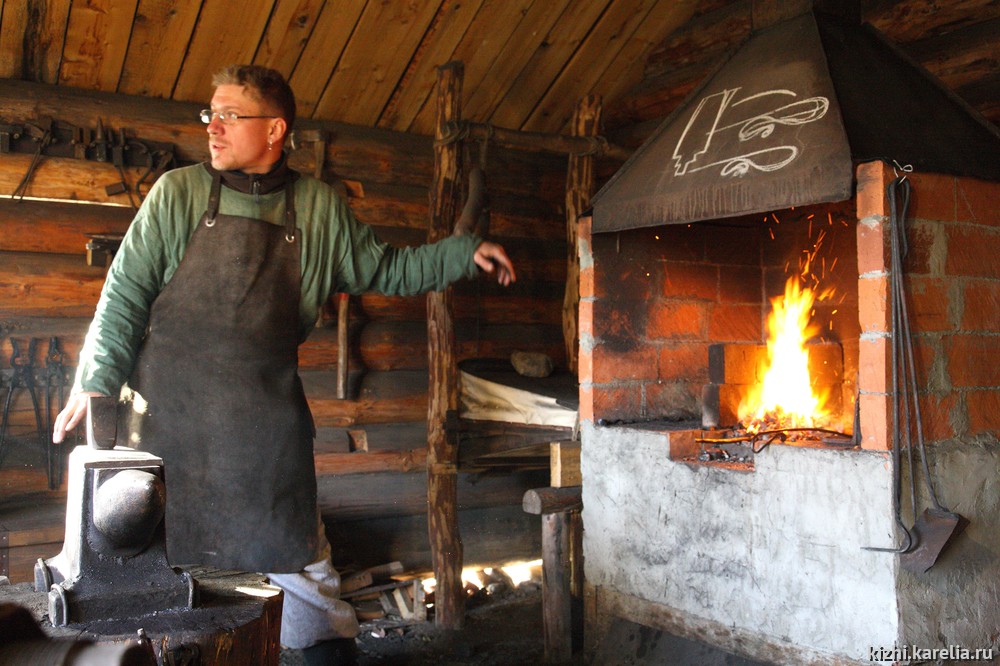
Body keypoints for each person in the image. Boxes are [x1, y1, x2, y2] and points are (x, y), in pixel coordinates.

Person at [51, 64, 515, 665]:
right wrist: (95, 380)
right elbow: (123, 296)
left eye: (229, 116)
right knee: (169, 579)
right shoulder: (179, 193)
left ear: (275, 130)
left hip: (264, 435)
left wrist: (460, 253)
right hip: (168, 428)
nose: (212, 128)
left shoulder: (319, 209)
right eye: (208, 115)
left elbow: (389, 270)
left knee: (300, 568)